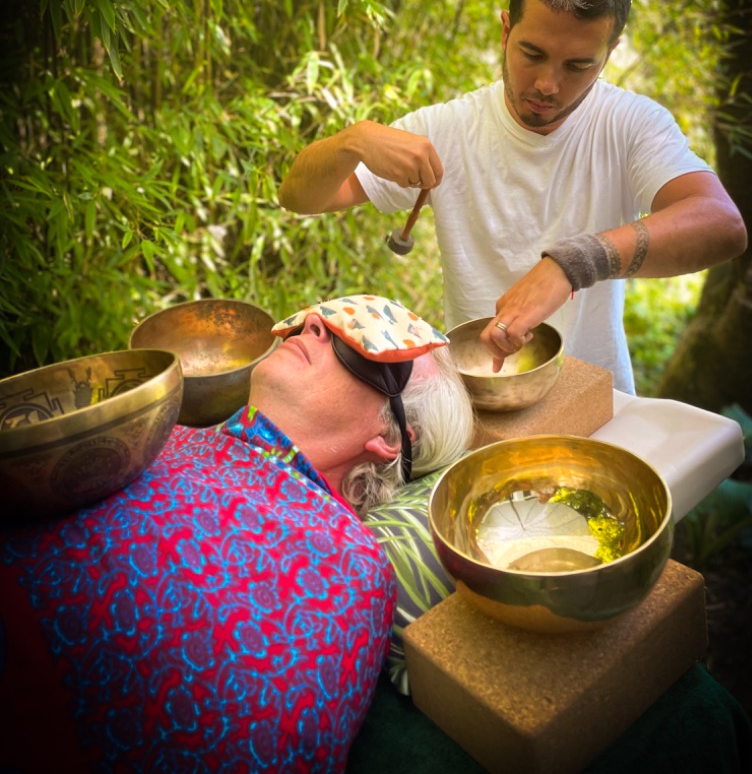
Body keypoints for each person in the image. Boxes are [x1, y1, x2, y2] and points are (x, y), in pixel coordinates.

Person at [0, 294, 474, 774]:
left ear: (390, 437)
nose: (313, 323)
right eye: (329, 314)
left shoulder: (348, 566)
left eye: (368, 345)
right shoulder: (173, 431)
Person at [278, 0, 748, 394]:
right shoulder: (447, 129)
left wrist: (572, 264)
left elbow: (721, 224)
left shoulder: (628, 125)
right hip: (478, 397)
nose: (547, 84)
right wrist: (352, 141)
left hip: (601, 406)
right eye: (532, 53)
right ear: (506, 29)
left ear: (610, 54)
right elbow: (300, 198)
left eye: (577, 66)